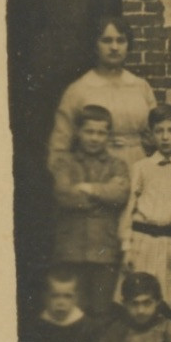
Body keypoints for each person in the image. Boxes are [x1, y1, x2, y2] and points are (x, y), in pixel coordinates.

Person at [47, 15, 159, 172]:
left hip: (137, 167)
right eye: (106, 40)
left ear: (128, 45)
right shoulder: (79, 90)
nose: (114, 47)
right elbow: (59, 146)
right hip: (95, 172)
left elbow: (157, 135)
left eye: (120, 41)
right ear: (95, 45)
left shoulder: (140, 86)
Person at [50, 104, 131, 318]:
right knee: (73, 312)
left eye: (101, 132)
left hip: (105, 251)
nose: (95, 138)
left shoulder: (117, 165)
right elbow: (64, 195)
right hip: (72, 250)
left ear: (108, 135)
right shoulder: (65, 163)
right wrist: (103, 195)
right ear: (78, 132)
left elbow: (120, 195)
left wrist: (88, 188)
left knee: (102, 312)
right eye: (89, 131)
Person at [120, 104, 171, 305]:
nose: (165, 137)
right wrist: (126, 247)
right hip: (142, 242)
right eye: (159, 131)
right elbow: (128, 209)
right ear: (151, 134)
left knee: (167, 300)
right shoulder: (141, 168)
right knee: (138, 297)